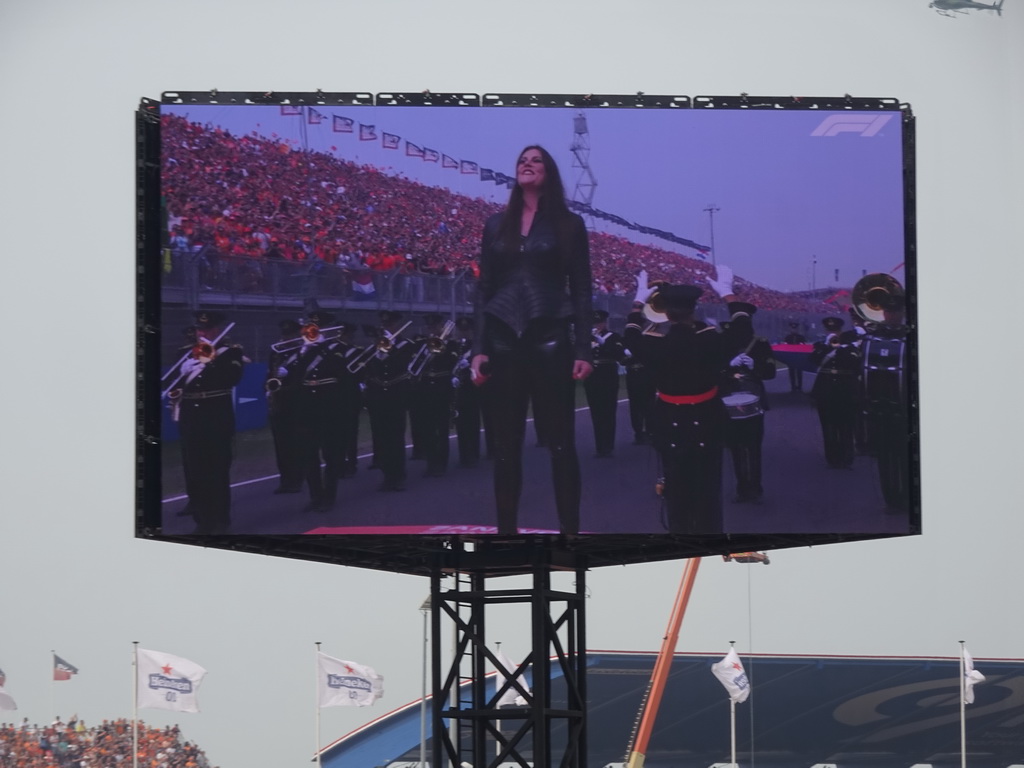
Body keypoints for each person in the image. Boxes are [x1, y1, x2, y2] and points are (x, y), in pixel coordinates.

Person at [470, 145, 593, 535]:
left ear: (549, 172)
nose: (527, 163)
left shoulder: (569, 224)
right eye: (522, 159)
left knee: (560, 445)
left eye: (536, 160)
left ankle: (570, 533)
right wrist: (478, 348)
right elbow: (484, 288)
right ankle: (506, 535)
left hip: (551, 338)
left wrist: (584, 347)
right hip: (503, 340)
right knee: (505, 450)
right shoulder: (495, 224)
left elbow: (582, 289)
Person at [623, 266, 750, 534]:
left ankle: (679, 534)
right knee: (708, 490)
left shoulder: (654, 344)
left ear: (666, 314)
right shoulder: (711, 341)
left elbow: (631, 333)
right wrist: (727, 293)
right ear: (695, 310)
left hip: (669, 420)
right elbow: (742, 328)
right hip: (707, 418)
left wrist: (638, 301)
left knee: (675, 489)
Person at [168, 310, 245, 534]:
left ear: (217, 330)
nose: (203, 333)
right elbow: (175, 385)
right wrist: (182, 373)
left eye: (208, 329)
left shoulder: (230, 353)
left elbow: (232, 379)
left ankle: (220, 519)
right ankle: (202, 521)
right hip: (192, 418)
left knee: (217, 472)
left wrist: (210, 362)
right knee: (196, 472)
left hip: (216, 418)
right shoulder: (185, 354)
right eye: (200, 329)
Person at [720, 303, 777, 503]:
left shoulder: (760, 343)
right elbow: (708, 370)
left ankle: (754, 485)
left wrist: (756, 366)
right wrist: (727, 366)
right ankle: (742, 486)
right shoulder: (721, 344)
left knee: (753, 445)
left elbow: (770, 373)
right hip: (728, 397)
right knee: (735, 446)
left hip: (754, 397)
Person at [810, 316, 862, 470]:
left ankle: (846, 456)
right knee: (828, 425)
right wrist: (826, 347)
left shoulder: (850, 347)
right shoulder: (821, 346)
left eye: (835, 330)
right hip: (825, 390)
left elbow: (855, 364)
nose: (833, 333)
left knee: (846, 425)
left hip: (845, 390)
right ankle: (832, 457)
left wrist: (841, 348)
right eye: (830, 330)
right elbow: (813, 360)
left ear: (841, 331)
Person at [266, 318, 304, 494]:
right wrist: (267, 388)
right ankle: (285, 479)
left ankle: (297, 479)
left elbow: (304, 377)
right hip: (279, 402)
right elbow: (270, 373)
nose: (286, 338)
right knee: (281, 444)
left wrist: (290, 376)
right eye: (284, 335)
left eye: (290, 334)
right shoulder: (276, 352)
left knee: (295, 443)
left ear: (297, 335)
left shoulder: (303, 352)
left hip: (296, 402)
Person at [584, 309, 627, 457]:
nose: (597, 325)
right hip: (592, 377)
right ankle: (599, 446)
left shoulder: (614, 337)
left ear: (605, 322)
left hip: (608, 376)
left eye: (600, 322)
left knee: (608, 411)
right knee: (596, 411)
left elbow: (620, 355)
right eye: (595, 323)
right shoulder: (586, 339)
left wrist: (602, 343)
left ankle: (608, 444)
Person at [783, 322, 808, 391]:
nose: (794, 330)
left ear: (797, 329)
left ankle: (799, 387)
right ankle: (793, 386)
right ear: (790, 329)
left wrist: (801, 345)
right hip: (791, 358)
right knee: (791, 372)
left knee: (799, 372)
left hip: (799, 358)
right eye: (792, 329)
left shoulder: (801, 337)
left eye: (795, 329)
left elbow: (804, 347)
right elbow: (785, 347)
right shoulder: (787, 338)